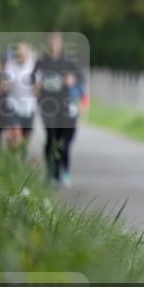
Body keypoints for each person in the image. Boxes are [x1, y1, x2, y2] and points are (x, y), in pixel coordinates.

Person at [34, 32, 84, 188]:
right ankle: (51, 173)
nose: (54, 45)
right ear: (48, 44)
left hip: (64, 106)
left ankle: (63, 171)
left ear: (61, 44)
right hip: (47, 105)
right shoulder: (42, 61)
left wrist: (73, 80)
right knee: (50, 137)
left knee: (63, 142)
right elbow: (32, 78)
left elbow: (81, 80)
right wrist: (36, 86)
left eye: (57, 42)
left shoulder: (68, 62)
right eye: (52, 42)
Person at [0, 43, 38, 153]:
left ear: (28, 53)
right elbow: (5, 81)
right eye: (18, 53)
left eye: (22, 53)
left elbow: (38, 86)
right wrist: (4, 85)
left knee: (26, 137)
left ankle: (19, 154)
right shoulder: (11, 65)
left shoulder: (33, 66)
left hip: (29, 106)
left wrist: (37, 88)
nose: (20, 55)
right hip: (13, 105)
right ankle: (15, 157)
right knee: (17, 133)